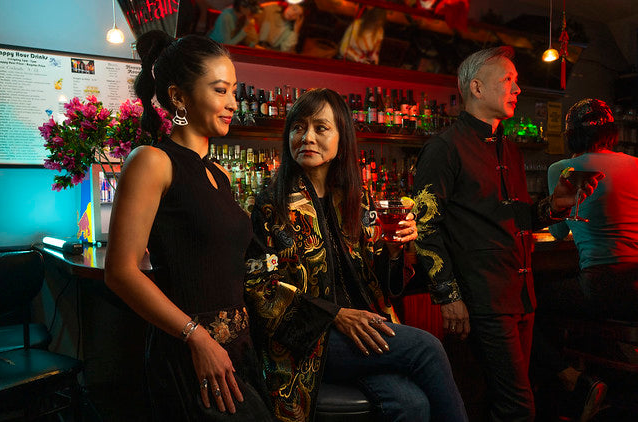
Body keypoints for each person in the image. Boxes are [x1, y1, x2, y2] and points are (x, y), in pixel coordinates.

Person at [244, 88, 468, 422]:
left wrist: (393, 252)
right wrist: (336, 315)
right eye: (298, 127)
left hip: (361, 333)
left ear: (341, 139)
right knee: (427, 347)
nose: (307, 137)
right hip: (310, 344)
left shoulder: (353, 202)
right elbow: (259, 290)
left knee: (412, 405)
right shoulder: (268, 207)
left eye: (321, 128)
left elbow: (375, 282)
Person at [411, 46, 600, 422]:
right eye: (508, 80)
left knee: (501, 402)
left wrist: (555, 205)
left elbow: (517, 219)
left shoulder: (508, 149)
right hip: (484, 298)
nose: (517, 89)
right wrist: (448, 296)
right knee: (517, 406)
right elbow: (425, 228)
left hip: (520, 294)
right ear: (477, 88)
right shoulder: (443, 149)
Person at [104, 30, 274, 421]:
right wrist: (197, 338)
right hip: (189, 354)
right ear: (178, 96)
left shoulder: (219, 174)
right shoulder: (153, 161)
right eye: (220, 90)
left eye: (234, 91)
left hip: (237, 350)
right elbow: (121, 271)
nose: (233, 103)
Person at [532, 98, 638, 421]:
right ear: (612, 131)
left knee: (527, 301)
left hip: (598, 288)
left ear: (570, 136)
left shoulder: (561, 170)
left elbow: (560, 230)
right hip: (635, 287)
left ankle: (575, 381)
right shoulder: (636, 165)